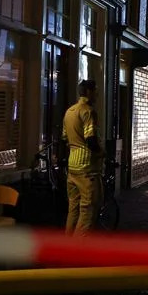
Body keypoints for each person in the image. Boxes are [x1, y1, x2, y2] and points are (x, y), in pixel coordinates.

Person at [62, 80, 104, 236]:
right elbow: (91, 139)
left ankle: (67, 247)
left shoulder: (69, 112)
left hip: (72, 167)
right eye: (96, 91)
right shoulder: (88, 111)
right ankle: (78, 251)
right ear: (89, 92)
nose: (97, 94)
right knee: (88, 211)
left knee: (73, 209)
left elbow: (65, 138)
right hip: (87, 169)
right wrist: (101, 153)